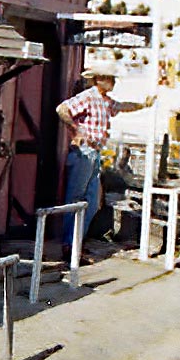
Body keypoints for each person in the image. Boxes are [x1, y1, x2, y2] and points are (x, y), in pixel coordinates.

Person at [57, 61, 151, 261]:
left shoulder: (105, 101)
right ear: (99, 80)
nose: (113, 82)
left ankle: (76, 244)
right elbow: (62, 109)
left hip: (95, 152)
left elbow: (123, 106)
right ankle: (69, 245)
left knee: (91, 202)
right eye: (110, 79)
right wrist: (77, 129)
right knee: (76, 199)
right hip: (84, 151)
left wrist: (143, 104)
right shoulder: (88, 97)